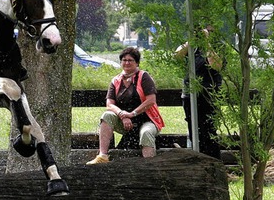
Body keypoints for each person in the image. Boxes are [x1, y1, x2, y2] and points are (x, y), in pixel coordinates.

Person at [86, 47, 165, 164]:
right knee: (107, 115)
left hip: (148, 120)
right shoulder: (116, 80)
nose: (127, 63)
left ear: (137, 62)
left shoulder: (144, 77)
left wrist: (132, 114)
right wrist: (122, 115)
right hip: (125, 121)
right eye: (124, 60)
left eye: (130, 60)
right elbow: (109, 104)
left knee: (146, 133)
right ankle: (103, 155)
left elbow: (151, 100)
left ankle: (149, 165)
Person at [175, 25, 224, 159]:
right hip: (190, 94)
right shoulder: (192, 47)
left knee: (209, 132)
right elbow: (177, 56)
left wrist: (207, 43)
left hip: (209, 94)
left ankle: (214, 163)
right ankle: (198, 162)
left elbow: (216, 65)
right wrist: (190, 41)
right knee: (193, 131)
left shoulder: (218, 46)